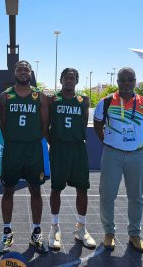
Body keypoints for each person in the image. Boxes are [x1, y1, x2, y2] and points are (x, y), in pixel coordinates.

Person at [93, 67, 143, 253]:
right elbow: (97, 125)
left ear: (135, 81)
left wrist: (138, 143)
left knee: (136, 196)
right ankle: (109, 233)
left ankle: (134, 234)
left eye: (130, 79)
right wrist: (109, 142)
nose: (126, 83)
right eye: (123, 80)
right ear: (117, 82)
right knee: (107, 195)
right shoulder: (105, 102)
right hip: (112, 154)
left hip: (137, 155)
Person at [0, 60, 49, 253]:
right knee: (8, 190)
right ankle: (7, 232)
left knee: (35, 190)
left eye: (26, 69)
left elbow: (45, 124)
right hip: (12, 148)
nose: (23, 72)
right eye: (19, 69)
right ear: (14, 73)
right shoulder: (5, 96)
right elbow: (2, 122)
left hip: (33, 149)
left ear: (31, 73)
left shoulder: (40, 96)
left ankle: (36, 232)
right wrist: (15, 138)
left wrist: (31, 138)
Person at [47, 68, 96, 251]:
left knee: (82, 188)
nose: (69, 80)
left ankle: (81, 228)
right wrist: (56, 142)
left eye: (72, 78)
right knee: (56, 189)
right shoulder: (53, 100)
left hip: (78, 148)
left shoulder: (84, 100)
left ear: (77, 80)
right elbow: (46, 125)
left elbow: (83, 123)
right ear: (61, 80)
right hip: (59, 148)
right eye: (66, 78)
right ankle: (54, 228)